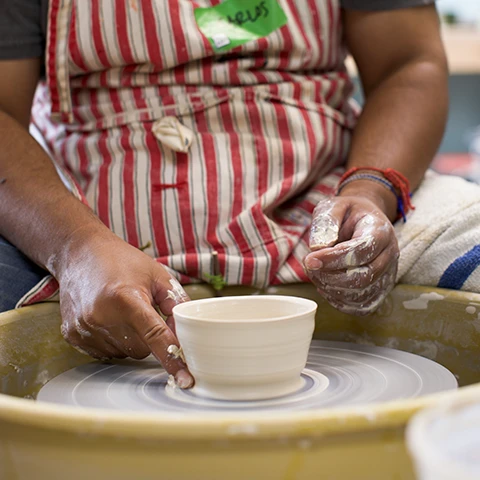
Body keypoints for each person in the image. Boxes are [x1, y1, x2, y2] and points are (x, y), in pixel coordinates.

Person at [1, 0, 479, 389]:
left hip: (324, 205)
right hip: (90, 224)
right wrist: (75, 248)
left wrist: (371, 191)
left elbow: (408, 63)